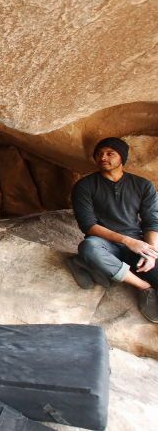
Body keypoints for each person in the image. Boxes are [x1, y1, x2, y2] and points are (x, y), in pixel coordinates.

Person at [69, 137, 158, 322]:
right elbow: (88, 225)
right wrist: (127, 241)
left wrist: (150, 254)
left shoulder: (143, 185)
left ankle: (91, 266)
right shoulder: (84, 186)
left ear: (122, 158)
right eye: (99, 153)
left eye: (110, 153)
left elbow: (152, 222)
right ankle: (144, 288)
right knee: (89, 248)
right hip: (104, 244)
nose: (103, 157)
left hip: (137, 244)